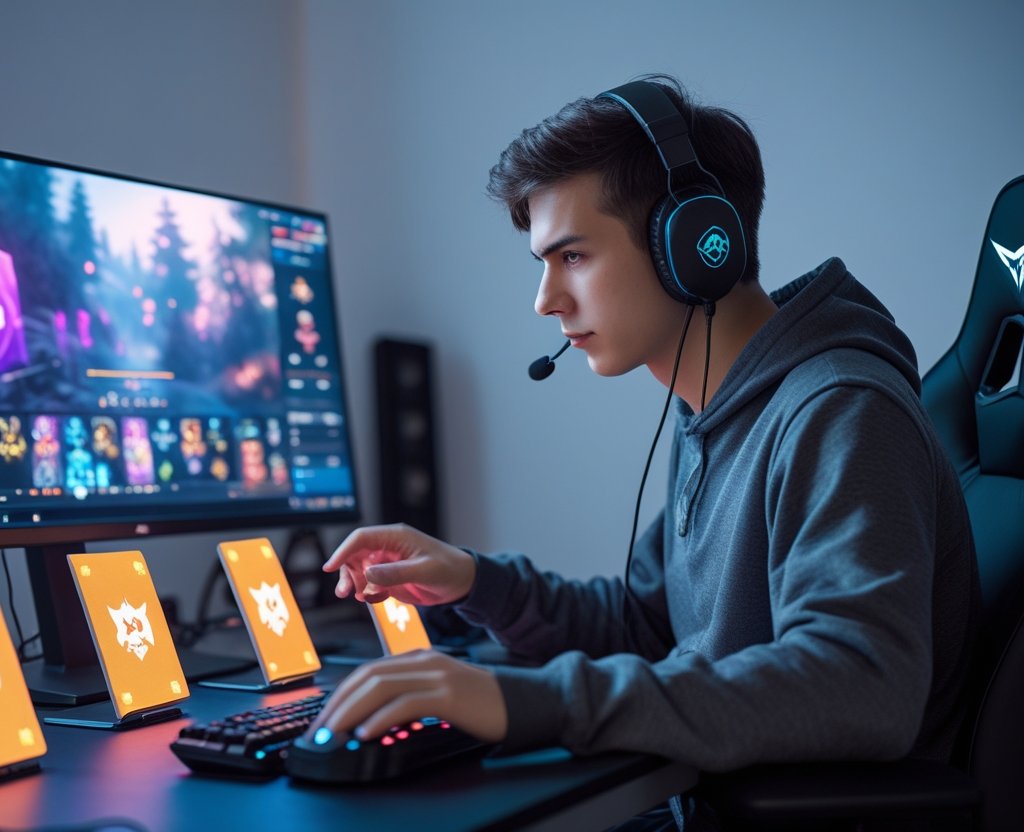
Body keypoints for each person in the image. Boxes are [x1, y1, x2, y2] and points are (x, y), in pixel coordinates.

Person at [309, 76, 978, 829]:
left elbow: (859, 684)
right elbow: (648, 628)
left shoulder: (840, 411)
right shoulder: (714, 413)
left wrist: (526, 702)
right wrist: (473, 581)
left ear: (693, 245)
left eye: (573, 258)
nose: (545, 300)